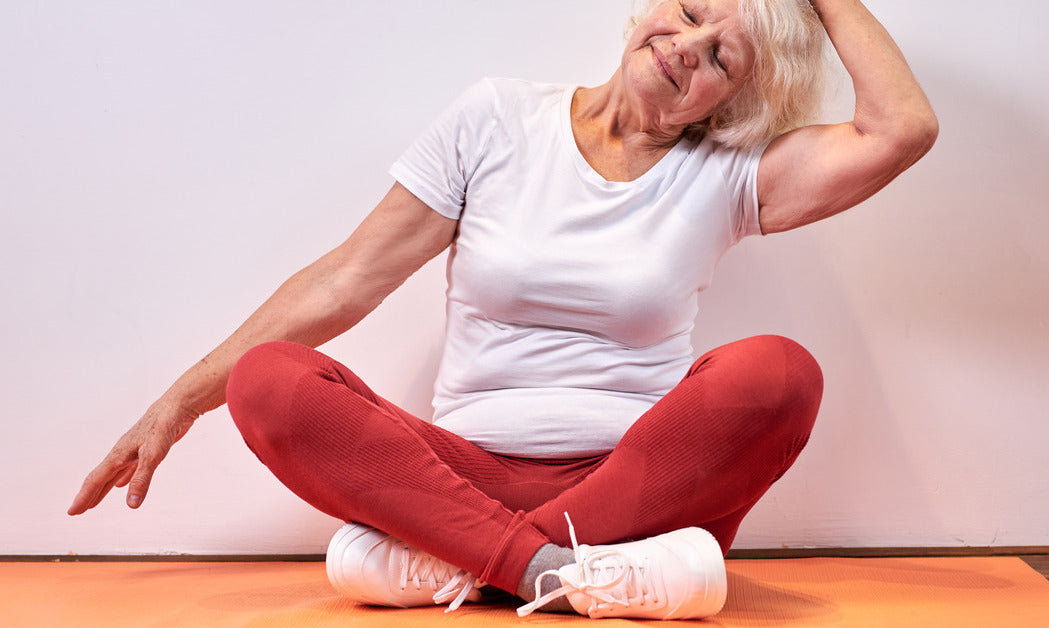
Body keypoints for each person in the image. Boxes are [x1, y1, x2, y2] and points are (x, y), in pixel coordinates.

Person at [68, 0, 937, 620]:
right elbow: (346, 281)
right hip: (460, 471)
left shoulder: (728, 175)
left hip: (636, 482)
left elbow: (901, 129)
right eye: (689, 11)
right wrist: (179, 401)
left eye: (722, 58)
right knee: (269, 383)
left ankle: (471, 565)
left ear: (730, 101)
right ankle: (580, 576)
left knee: (780, 372)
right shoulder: (496, 119)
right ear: (645, 11)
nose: (690, 45)